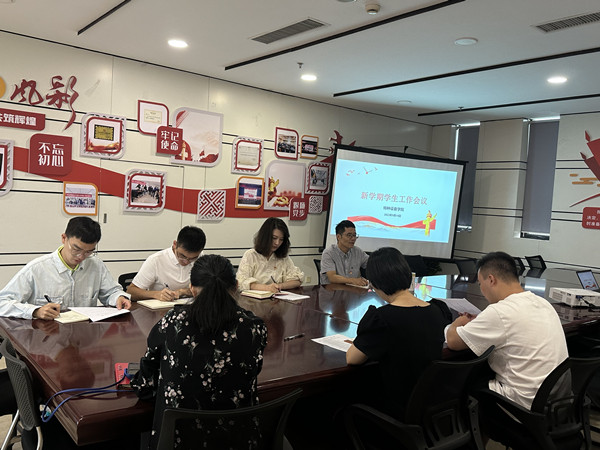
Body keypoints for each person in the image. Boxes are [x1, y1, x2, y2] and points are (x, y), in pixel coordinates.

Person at [131, 254, 268, 449]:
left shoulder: (173, 322)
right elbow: (252, 371)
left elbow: (146, 384)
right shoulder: (254, 327)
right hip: (237, 439)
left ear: (192, 289)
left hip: (177, 440)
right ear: (236, 286)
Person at [446, 251, 568, 410]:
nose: (481, 289)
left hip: (523, 405)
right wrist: (483, 320)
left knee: (464, 382)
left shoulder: (499, 312)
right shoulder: (543, 303)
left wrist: (458, 322)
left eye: (480, 284)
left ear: (491, 280)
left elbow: (453, 341)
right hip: (557, 401)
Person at [346, 247, 452, 416]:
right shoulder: (436, 310)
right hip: (431, 404)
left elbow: (352, 359)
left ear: (375, 283)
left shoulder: (383, 318)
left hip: (397, 406)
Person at [0, 217, 130, 320]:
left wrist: (118, 297)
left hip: (84, 335)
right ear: (64, 238)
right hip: (46, 338)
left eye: (88, 251)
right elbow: (2, 302)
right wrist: (35, 311)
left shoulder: (96, 265)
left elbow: (111, 292)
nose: (81, 256)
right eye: (76, 249)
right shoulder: (37, 269)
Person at [127, 226, 206, 301]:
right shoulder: (156, 260)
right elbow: (131, 292)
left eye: (192, 258)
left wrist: (183, 292)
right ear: (175, 244)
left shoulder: (201, 258)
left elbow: (207, 288)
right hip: (160, 308)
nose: (186, 261)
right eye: (182, 256)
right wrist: (156, 294)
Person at [236, 217, 304, 293]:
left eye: (281, 239)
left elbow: (297, 280)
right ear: (265, 237)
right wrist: (266, 288)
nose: (277, 243)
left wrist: (279, 286)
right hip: (253, 299)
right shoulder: (251, 255)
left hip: (277, 298)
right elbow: (241, 283)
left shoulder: (283, 257)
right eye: (274, 238)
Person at [320, 220, 369, 286]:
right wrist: (353, 280)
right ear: (338, 237)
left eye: (354, 235)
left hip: (353, 290)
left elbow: (372, 264)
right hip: (332, 290)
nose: (353, 238)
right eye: (349, 235)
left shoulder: (357, 251)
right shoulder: (329, 253)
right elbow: (332, 277)